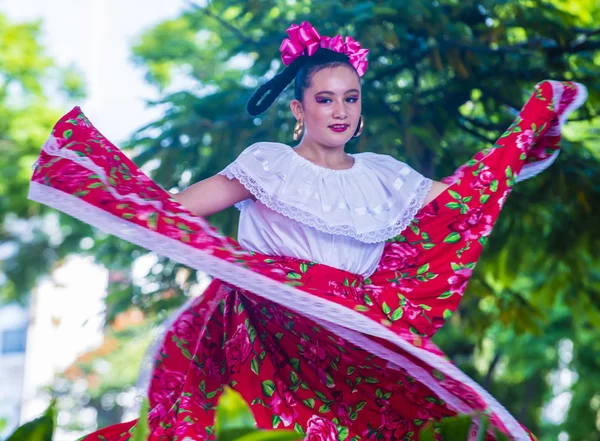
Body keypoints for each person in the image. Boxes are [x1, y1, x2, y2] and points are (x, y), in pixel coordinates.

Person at [27, 21, 587, 441]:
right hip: (276, 317)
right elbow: (178, 210)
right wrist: (116, 199)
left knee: (427, 415)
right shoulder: (268, 163)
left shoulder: (386, 177)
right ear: (299, 109)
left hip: (355, 327)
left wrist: (523, 141)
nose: (339, 111)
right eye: (325, 99)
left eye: (351, 98)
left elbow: (467, 196)